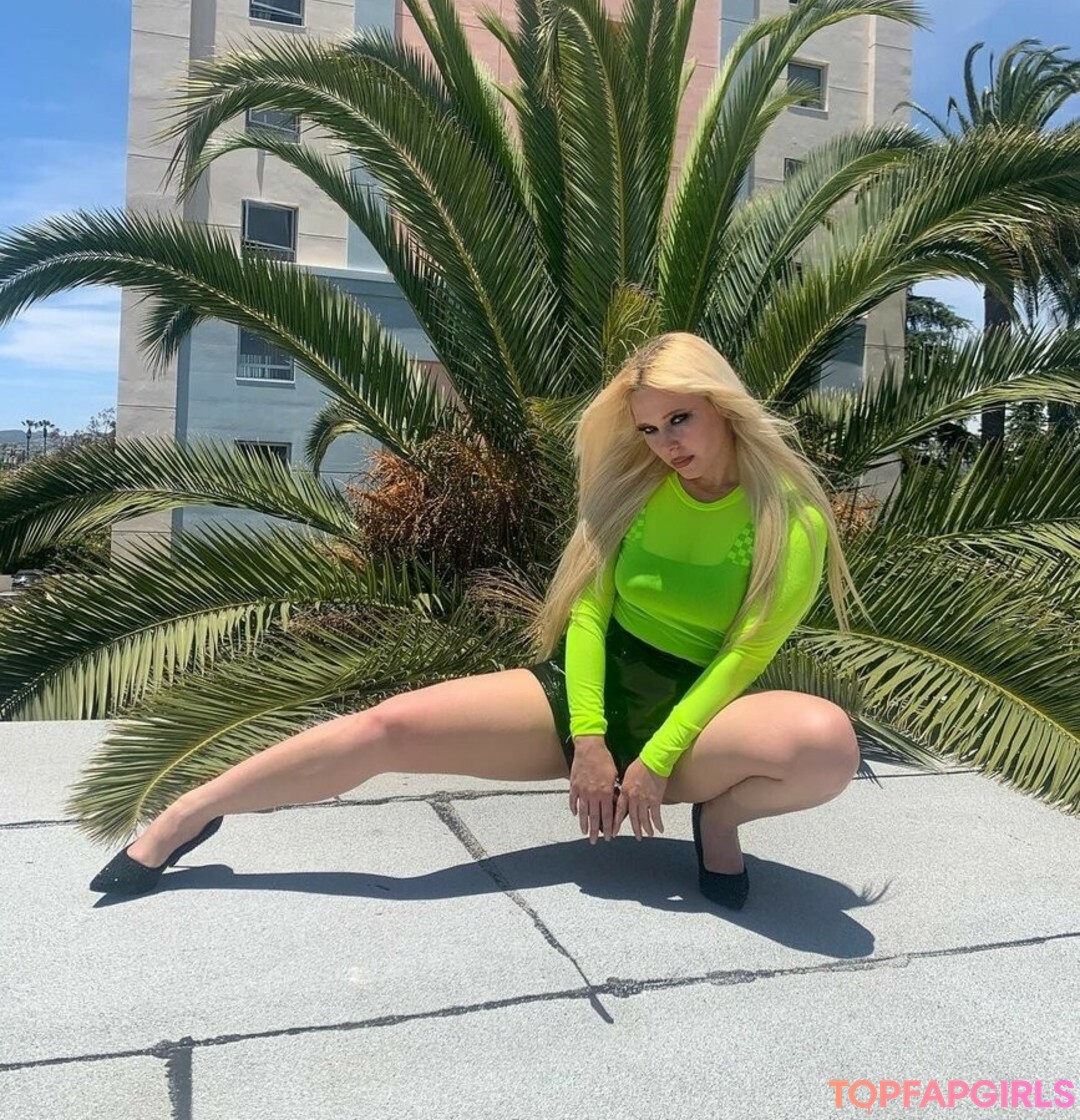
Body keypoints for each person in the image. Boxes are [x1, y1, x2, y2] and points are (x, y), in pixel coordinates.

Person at [90, 332, 863, 908]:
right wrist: (591, 739)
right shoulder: (637, 492)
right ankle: (190, 815)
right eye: (649, 429)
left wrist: (657, 759)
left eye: (680, 419)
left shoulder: (789, 519)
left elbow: (743, 656)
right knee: (385, 727)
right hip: (586, 690)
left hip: (697, 718)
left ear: (723, 405)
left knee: (825, 744)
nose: (665, 444)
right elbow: (590, 613)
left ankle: (719, 825)